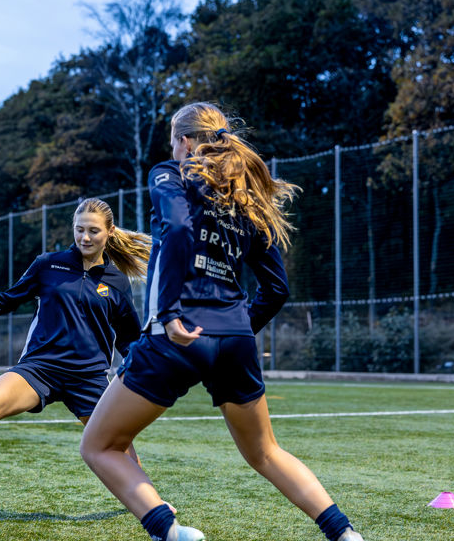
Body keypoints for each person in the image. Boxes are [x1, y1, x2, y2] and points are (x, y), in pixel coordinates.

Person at [79, 102, 364, 541]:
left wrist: (171, 313)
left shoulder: (169, 174)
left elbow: (175, 228)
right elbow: (276, 288)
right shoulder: (244, 196)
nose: (172, 149)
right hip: (235, 337)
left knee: (99, 445)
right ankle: (345, 535)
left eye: (175, 141)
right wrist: (237, 329)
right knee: (266, 452)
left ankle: (170, 532)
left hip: (177, 336)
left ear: (186, 141)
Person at [0, 197, 150, 525]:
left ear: (109, 232)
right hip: (39, 368)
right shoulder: (49, 265)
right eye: (79, 230)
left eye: (93, 231)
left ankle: (150, 505)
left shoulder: (117, 281)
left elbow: (129, 336)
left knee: (118, 446)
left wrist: (140, 367)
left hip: (88, 377)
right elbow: (11, 296)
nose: (85, 237)